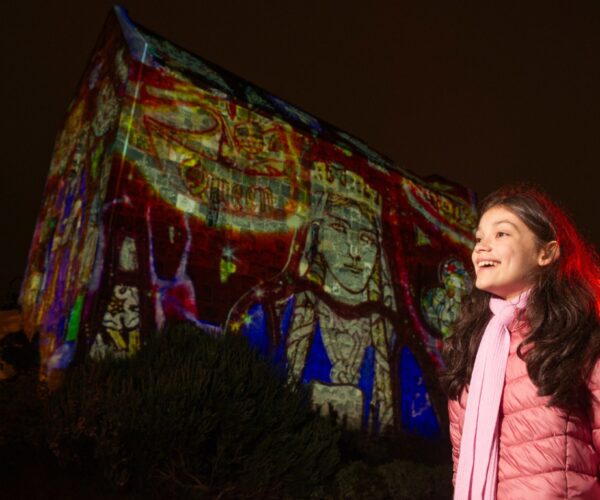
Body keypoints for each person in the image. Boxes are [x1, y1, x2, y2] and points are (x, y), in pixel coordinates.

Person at [442, 184, 600, 498]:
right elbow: (461, 466)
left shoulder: (576, 332)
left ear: (546, 253)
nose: (482, 247)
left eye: (501, 234)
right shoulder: (471, 347)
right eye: (479, 238)